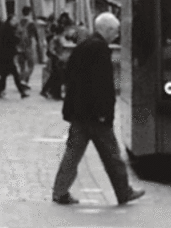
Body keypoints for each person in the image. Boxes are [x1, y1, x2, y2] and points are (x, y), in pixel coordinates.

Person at [50, 13, 145, 206]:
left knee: (72, 154)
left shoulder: (83, 46)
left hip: (79, 112)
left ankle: (60, 191)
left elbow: (70, 76)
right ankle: (123, 192)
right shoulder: (100, 49)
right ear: (108, 30)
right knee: (112, 156)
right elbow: (101, 85)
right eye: (115, 31)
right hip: (95, 115)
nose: (116, 35)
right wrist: (104, 113)